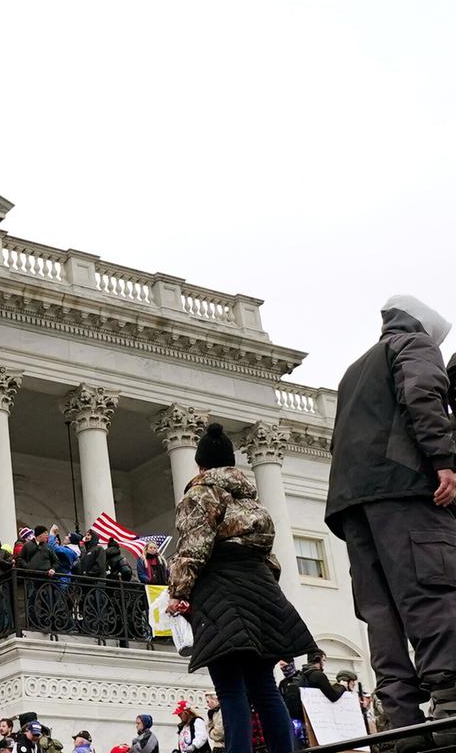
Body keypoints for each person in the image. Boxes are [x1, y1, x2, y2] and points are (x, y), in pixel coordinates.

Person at [326, 295, 456, 733]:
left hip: (352, 502)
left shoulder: (354, 370)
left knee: (380, 611)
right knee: (431, 591)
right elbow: (424, 395)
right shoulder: (414, 345)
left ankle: (401, 721)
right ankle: (452, 701)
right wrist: (443, 460)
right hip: (405, 490)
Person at [169, 424, 312, 753]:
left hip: (220, 591)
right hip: (261, 592)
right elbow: (271, 559)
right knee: (264, 687)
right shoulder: (253, 503)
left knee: (230, 688)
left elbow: (194, 549)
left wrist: (178, 593)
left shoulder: (200, 494)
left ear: (202, 465)